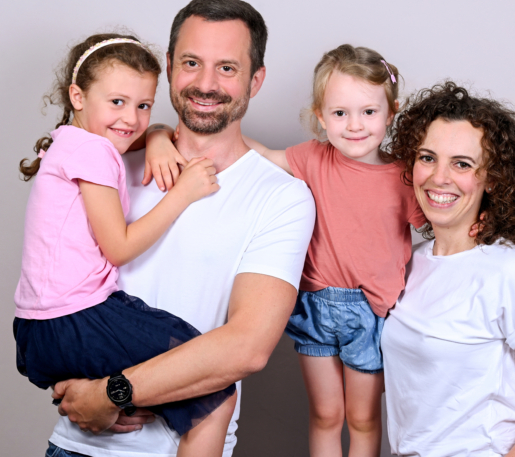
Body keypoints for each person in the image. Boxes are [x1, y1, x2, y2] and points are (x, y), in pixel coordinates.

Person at [47, 0, 316, 457]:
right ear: (169, 66)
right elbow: (54, 281)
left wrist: (112, 393)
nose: (206, 84)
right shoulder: (106, 165)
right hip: (77, 445)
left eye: (227, 68)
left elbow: (247, 346)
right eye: (192, 63)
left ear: (255, 80)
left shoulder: (282, 197)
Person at [179, 43, 426, 457]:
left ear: (391, 111)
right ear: (321, 117)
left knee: (363, 418)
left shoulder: (404, 176)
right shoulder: (314, 158)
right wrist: (170, 136)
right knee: (326, 415)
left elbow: (442, 225)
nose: (355, 125)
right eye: (340, 113)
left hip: (373, 311)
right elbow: (258, 155)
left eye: (369, 111)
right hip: (315, 306)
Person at [14, 33, 237, 457]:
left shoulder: (69, 141)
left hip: (39, 329)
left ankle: (114, 404)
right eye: (117, 102)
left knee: (158, 389)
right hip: (77, 317)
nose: (131, 118)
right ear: (77, 96)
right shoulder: (93, 153)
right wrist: (183, 193)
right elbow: (118, 247)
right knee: (212, 385)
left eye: (144, 105)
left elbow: (138, 132)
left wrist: (157, 135)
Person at [382, 81, 515, 457]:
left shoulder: (511, 272)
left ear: (492, 178)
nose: (439, 177)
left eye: (462, 164)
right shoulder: (406, 262)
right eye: (427, 158)